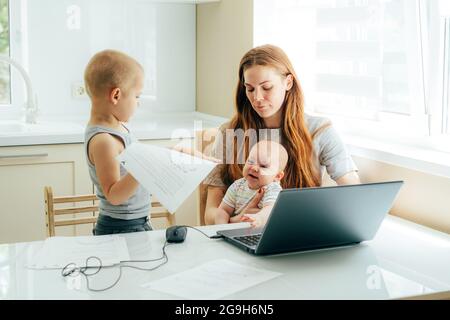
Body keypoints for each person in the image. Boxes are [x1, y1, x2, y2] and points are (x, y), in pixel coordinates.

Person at [203, 44, 360, 226]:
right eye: (250, 89)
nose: (257, 98)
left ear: (288, 82)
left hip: (299, 232)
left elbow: (354, 192)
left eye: (267, 87)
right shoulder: (230, 133)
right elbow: (210, 215)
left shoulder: (319, 131)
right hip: (242, 235)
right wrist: (240, 221)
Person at [84, 49, 152, 235]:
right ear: (116, 96)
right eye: (137, 96)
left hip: (136, 221)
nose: (138, 103)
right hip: (121, 227)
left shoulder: (118, 128)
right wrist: (144, 168)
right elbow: (114, 195)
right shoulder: (103, 140)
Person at [215, 140, 288, 227]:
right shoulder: (237, 185)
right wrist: (222, 228)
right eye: (251, 161)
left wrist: (259, 218)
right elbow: (223, 210)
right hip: (236, 230)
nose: (254, 168)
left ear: (277, 176)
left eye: (263, 166)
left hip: (259, 232)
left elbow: (270, 209)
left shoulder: (272, 188)